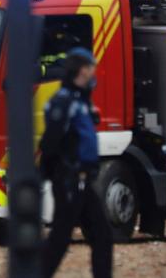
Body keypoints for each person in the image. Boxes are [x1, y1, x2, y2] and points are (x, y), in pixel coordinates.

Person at [39, 47, 112, 278]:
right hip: (71, 179)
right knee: (60, 237)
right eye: (92, 68)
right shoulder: (64, 101)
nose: (94, 73)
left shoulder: (78, 99)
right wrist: (61, 171)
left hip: (81, 180)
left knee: (101, 235)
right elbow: (50, 141)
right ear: (82, 70)